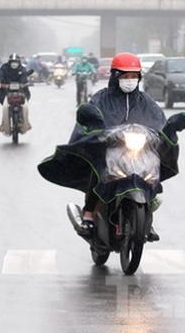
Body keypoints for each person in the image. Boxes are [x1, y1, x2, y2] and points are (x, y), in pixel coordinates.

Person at [73, 52, 166, 240]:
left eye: (133, 76)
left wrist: (164, 133)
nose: (129, 80)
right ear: (115, 76)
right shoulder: (101, 98)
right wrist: (97, 131)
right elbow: (90, 119)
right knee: (97, 170)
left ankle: (147, 218)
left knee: (151, 171)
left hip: (137, 149)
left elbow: (158, 120)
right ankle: (88, 213)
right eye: (125, 76)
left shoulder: (145, 100)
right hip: (109, 147)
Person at [0, 53, 32, 135]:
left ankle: (27, 122)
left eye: (16, 62)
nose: (14, 64)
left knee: (25, 106)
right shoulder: (5, 68)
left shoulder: (22, 69)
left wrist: (23, 83)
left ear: (19, 62)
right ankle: (3, 124)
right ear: (9, 62)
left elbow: (24, 78)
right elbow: (0, 75)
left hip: (21, 91)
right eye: (12, 62)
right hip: (7, 91)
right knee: (5, 106)